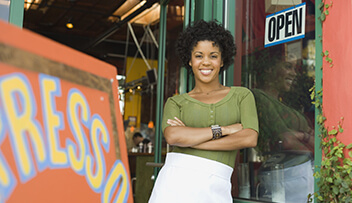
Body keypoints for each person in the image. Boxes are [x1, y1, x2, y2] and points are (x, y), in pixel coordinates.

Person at [148, 20, 259, 203]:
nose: (206, 62)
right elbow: (174, 137)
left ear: (222, 60)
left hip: (216, 185)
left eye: (213, 56)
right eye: (199, 55)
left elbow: (249, 138)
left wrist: (191, 141)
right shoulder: (176, 102)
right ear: (190, 60)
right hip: (173, 185)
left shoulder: (242, 95)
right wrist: (224, 130)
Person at [251, 46, 314, 203]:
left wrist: (302, 136)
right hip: (285, 175)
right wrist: (308, 139)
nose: (294, 73)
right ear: (269, 69)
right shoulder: (260, 97)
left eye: (295, 68)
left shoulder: (283, 103)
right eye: (288, 66)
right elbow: (285, 140)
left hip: (300, 173)